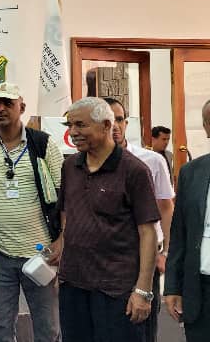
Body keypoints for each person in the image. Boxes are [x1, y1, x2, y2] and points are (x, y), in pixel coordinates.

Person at [0, 82, 64, 342]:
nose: (1, 109)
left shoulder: (43, 144)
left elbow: (66, 195)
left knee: (48, 330)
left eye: (8, 103)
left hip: (41, 254)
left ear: (22, 107)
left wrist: (63, 239)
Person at [54, 97, 160, 342]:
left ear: (105, 126)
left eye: (80, 125)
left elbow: (148, 233)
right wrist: (63, 267)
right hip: (74, 287)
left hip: (117, 290)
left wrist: (143, 290)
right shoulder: (70, 166)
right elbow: (68, 216)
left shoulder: (134, 171)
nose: (73, 132)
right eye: (70, 125)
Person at [104, 97, 175, 341]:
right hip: (104, 259)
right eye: (109, 120)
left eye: (120, 119)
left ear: (127, 123)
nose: (115, 126)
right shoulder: (82, 163)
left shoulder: (151, 160)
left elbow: (166, 208)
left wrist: (166, 253)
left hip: (144, 255)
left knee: (142, 326)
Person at [165, 99, 210, 340]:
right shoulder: (191, 173)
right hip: (200, 290)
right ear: (206, 127)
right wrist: (172, 286)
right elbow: (179, 234)